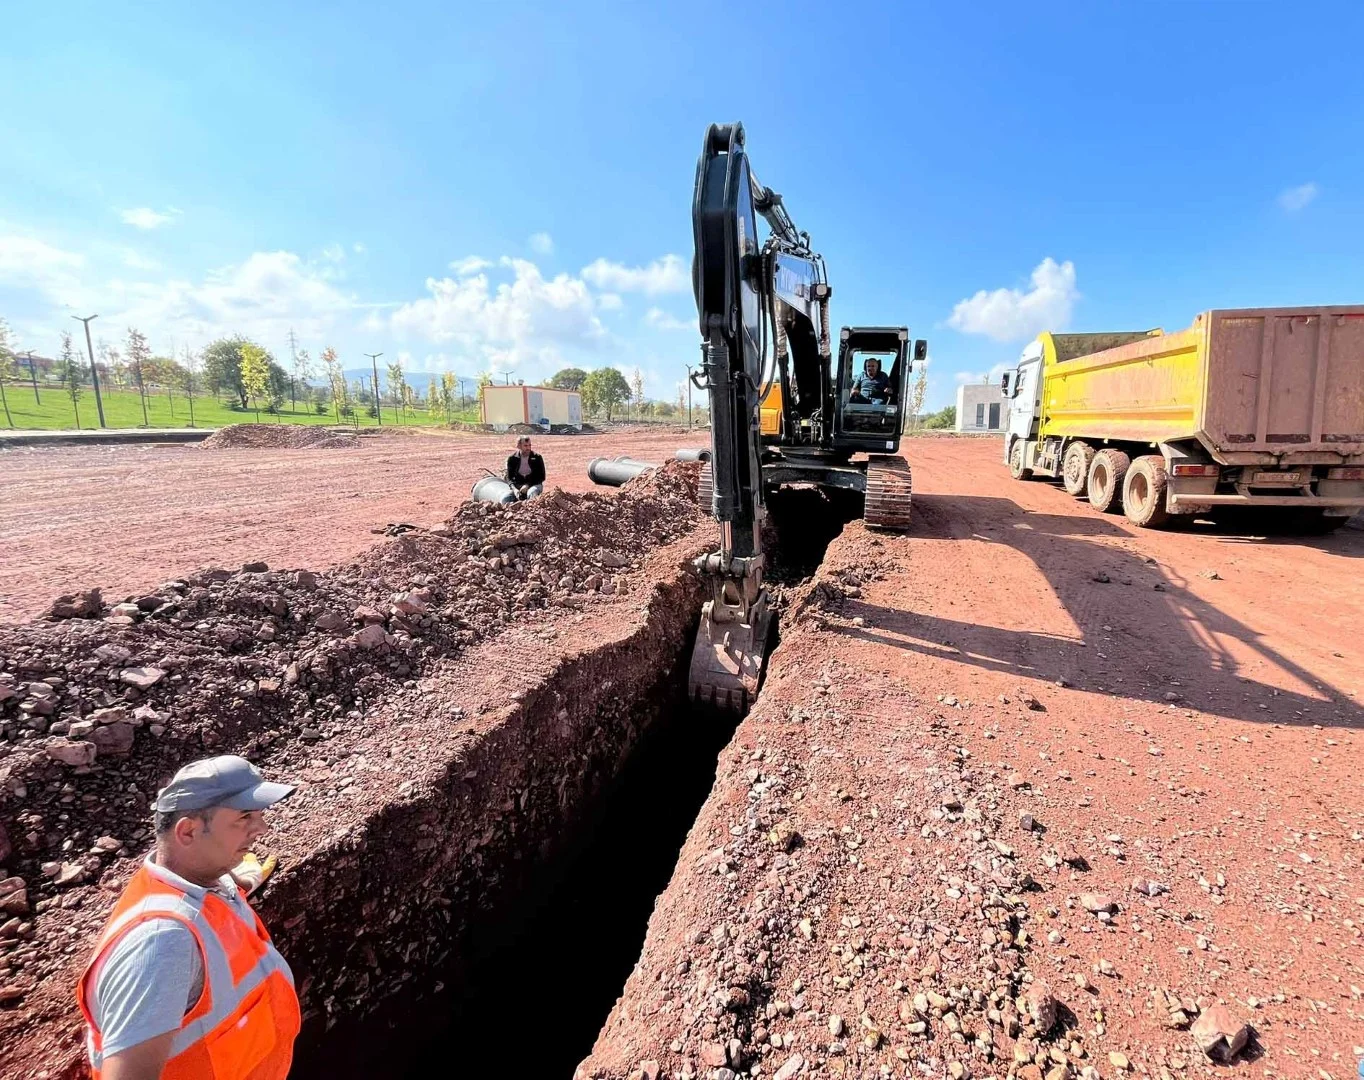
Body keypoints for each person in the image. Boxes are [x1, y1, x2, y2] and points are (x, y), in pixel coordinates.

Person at [77, 756, 300, 1080]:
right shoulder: (161, 945)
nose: (261, 828)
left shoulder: (204, 881)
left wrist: (235, 880)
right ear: (188, 832)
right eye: (244, 817)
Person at [505, 435, 546, 499]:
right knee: (505, 498)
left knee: (531, 493)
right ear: (518, 446)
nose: (528, 448)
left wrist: (528, 485)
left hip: (534, 485)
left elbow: (541, 477)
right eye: (525, 446)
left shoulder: (537, 457)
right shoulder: (512, 459)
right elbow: (509, 478)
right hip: (518, 487)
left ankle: (532, 508)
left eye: (530, 445)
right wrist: (515, 490)